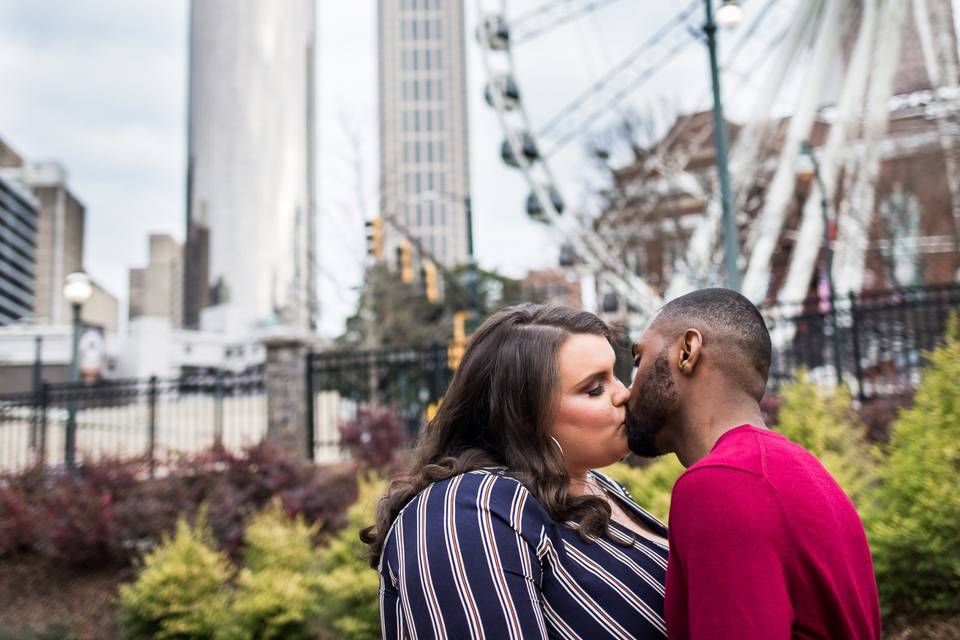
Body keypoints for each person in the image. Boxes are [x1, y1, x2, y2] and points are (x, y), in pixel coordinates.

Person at [363, 304, 670, 638]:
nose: (624, 394)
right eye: (594, 388)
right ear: (523, 416)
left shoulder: (597, 486)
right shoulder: (465, 512)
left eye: (615, 374)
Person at [625, 287, 881, 640]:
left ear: (687, 351)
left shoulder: (720, 484)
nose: (627, 389)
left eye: (638, 360)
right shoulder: (801, 470)